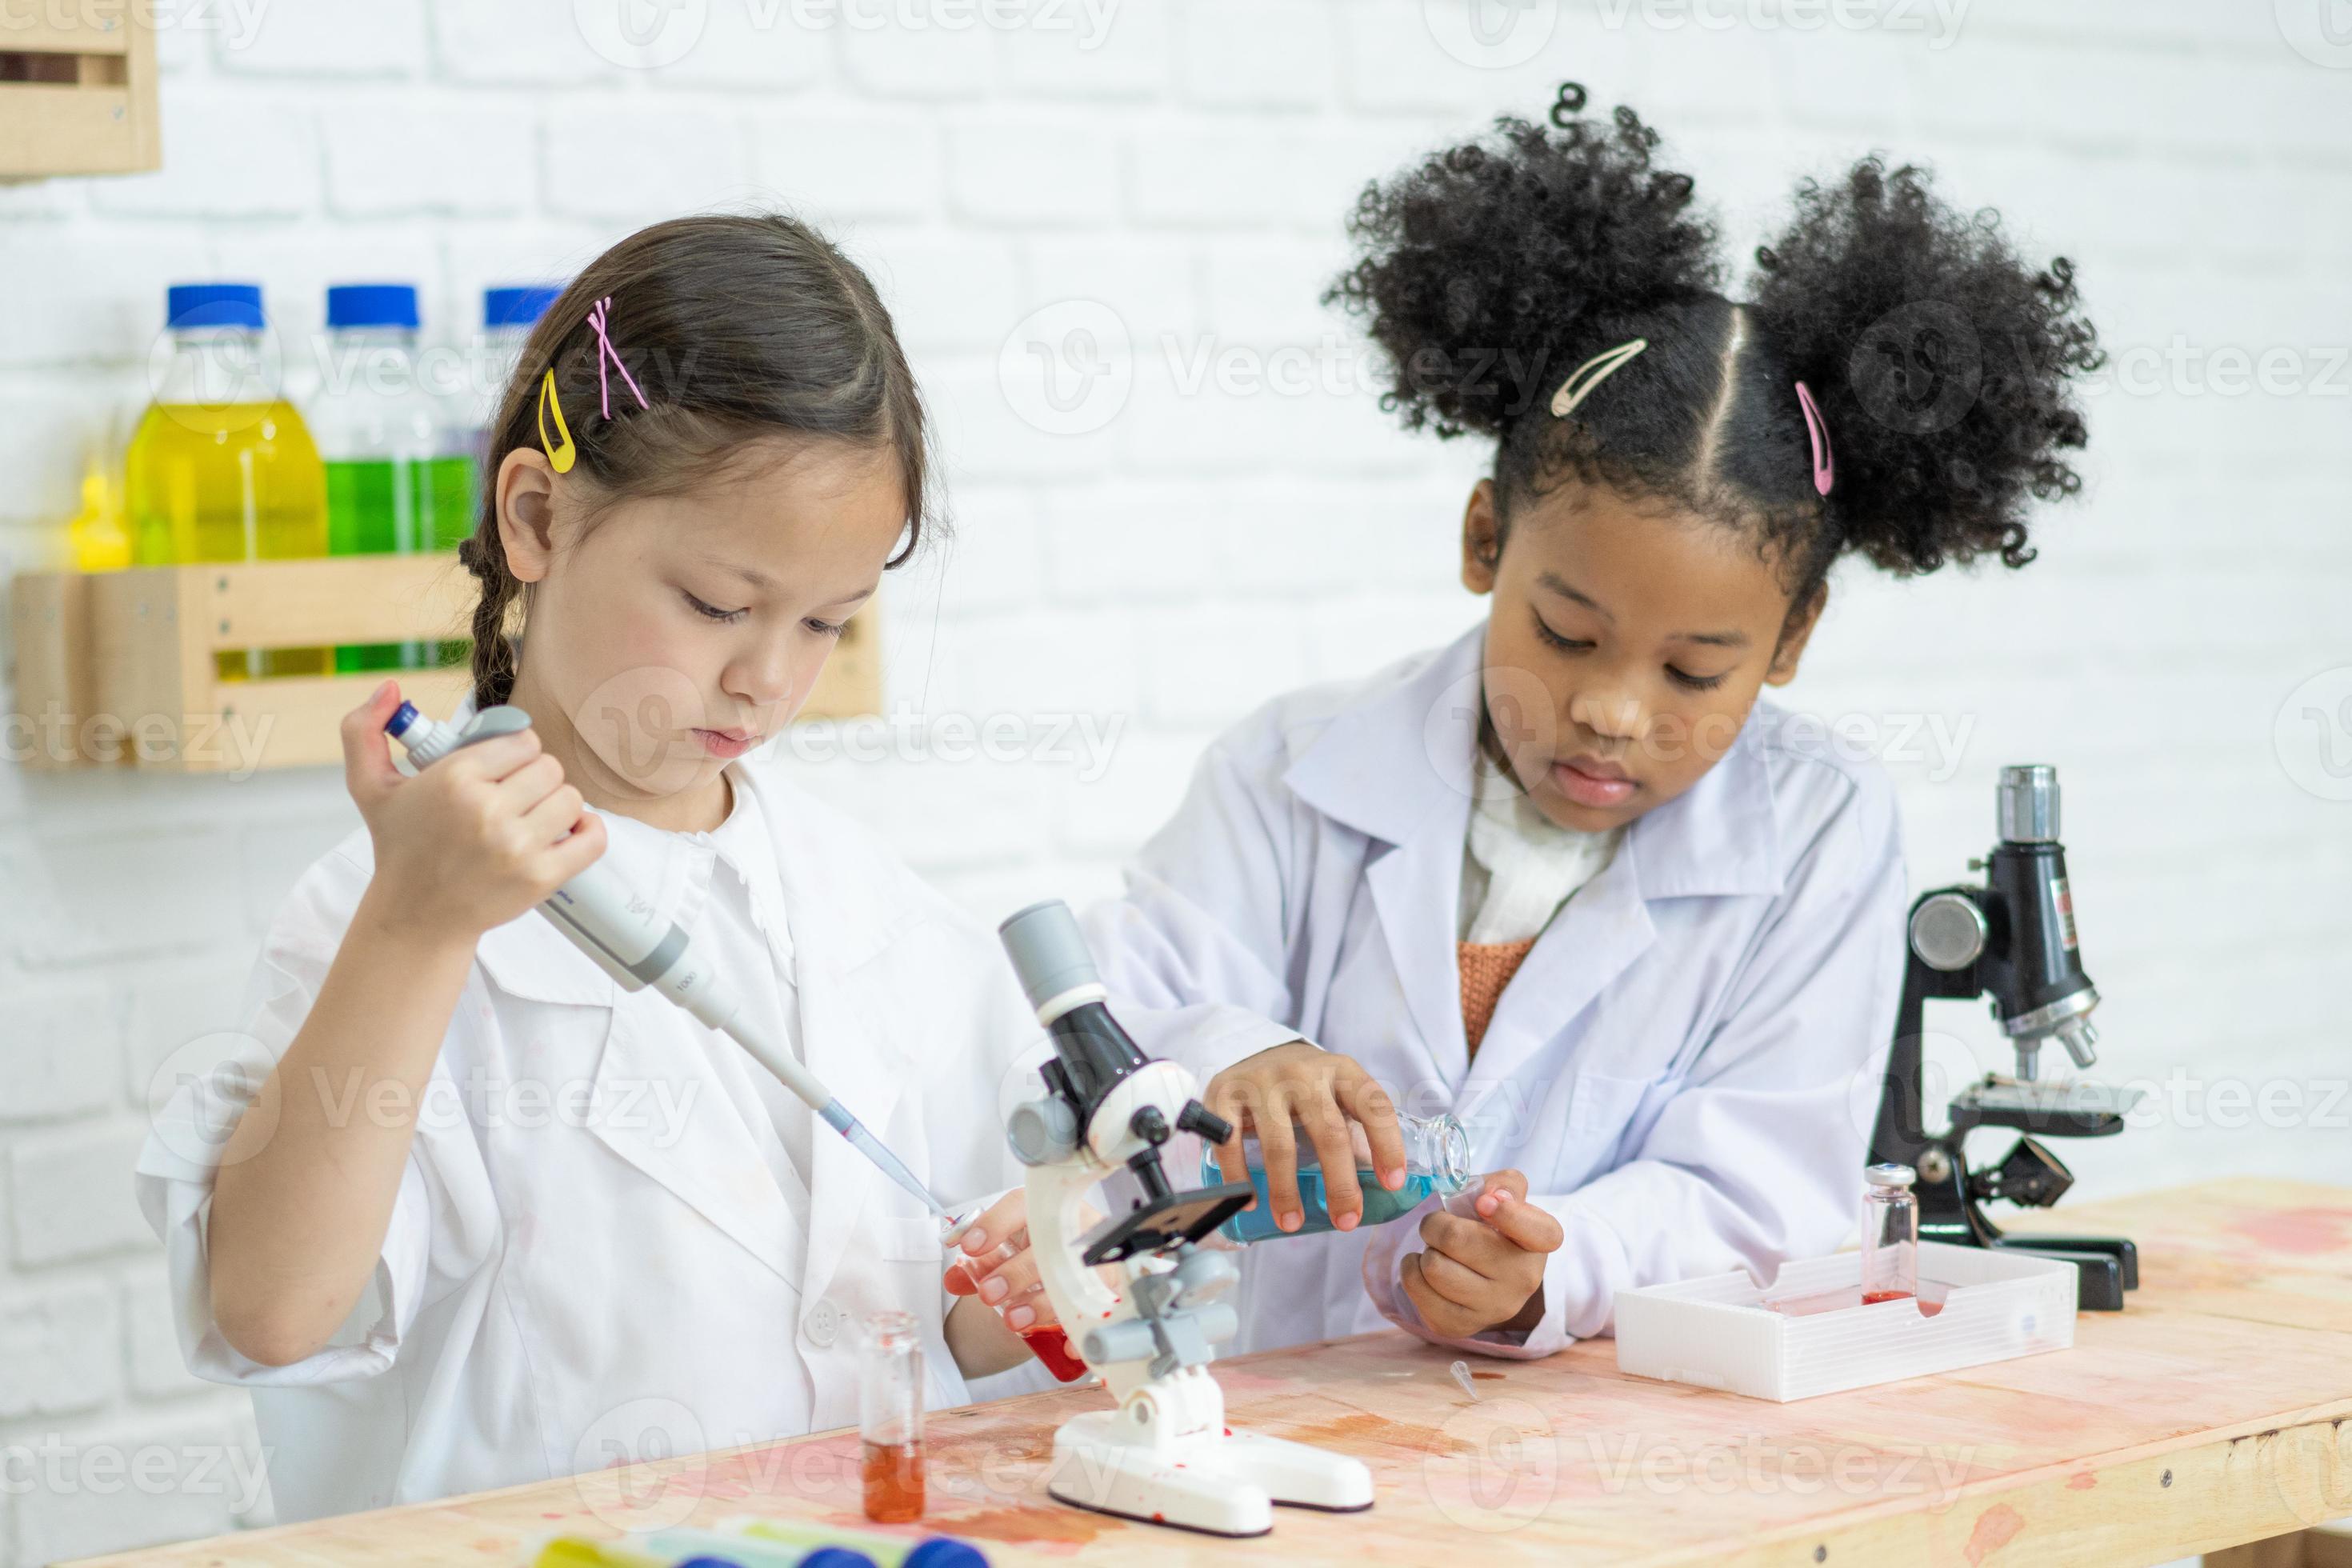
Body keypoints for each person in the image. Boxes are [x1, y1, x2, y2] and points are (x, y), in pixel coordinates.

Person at [1079, 85, 2103, 1360]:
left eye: (1695, 672)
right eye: (1565, 636)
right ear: (1484, 541)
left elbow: (1762, 1187)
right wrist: (1247, 1050)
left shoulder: (1819, 830)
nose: (1613, 711)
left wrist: (1555, 1270)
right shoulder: (1287, 771)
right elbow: (1127, 1015)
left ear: (1791, 641)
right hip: (1266, 1416)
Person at [134, 214, 1060, 1520]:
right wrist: (415, 931)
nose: (767, 677)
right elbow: (276, 1315)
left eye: (827, 623)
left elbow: (929, 1323)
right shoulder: (382, 911)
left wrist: (1034, 1287)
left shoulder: (870, 911)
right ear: (536, 516)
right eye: (717, 605)